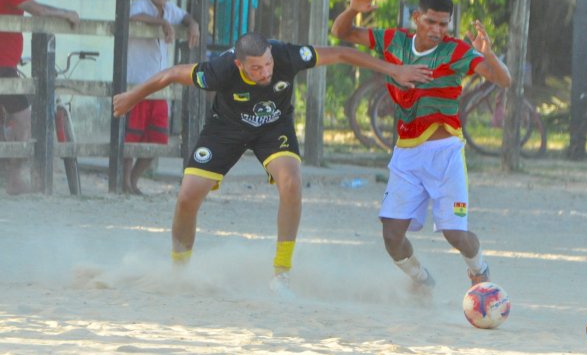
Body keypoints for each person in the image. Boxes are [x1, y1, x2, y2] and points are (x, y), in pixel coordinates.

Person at [112, 32, 432, 295]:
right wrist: (132, 97)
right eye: (256, 69)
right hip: (226, 128)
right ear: (239, 65)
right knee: (186, 197)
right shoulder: (219, 70)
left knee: (291, 183)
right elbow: (170, 74)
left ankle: (281, 274)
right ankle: (179, 271)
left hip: (273, 127)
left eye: (268, 65)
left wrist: (394, 70)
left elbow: (341, 53)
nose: (265, 72)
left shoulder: (286, 55)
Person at [331, 0, 511, 296]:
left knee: (455, 234)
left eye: (444, 24)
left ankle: (479, 270)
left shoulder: (457, 52)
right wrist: (352, 9)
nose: (438, 30)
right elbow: (341, 32)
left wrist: (487, 53)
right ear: (417, 18)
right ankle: (422, 279)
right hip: (406, 153)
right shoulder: (394, 41)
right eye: (431, 22)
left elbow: (503, 80)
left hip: (444, 154)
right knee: (391, 237)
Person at [0, 0, 79, 194]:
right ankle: (14, 179)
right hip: (3, 66)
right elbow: (39, 10)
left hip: (8, 64)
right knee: (24, 118)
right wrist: (66, 13)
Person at [123, 0, 200, 195]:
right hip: (137, 83)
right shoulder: (140, 4)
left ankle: (134, 181)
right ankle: (124, 182)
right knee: (131, 138)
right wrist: (160, 23)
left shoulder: (169, 9)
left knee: (157, 139)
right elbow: (131, 17)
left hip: (161, 87)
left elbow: (184, 17)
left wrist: (192, 24)